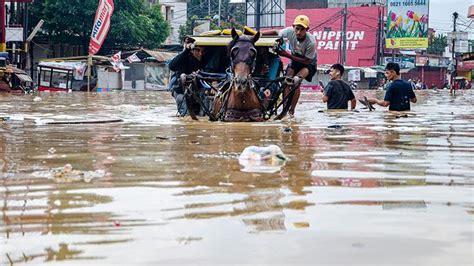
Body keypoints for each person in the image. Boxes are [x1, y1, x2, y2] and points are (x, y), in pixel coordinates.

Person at [262, 15, 317, 116]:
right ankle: (284, 109)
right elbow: (275, 32)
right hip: (295, 59)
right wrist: (258, 34)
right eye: (297, 29)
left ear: (307, 29)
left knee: (296, 81)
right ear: (293, 27)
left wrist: (286, 55)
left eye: (302, 30)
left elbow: (307, 61)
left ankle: (292, 111)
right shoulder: (288, 31)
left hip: (308, 63)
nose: (298, 32)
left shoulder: (311, 42)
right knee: (286, 81)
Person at [168, 37, 206, 116]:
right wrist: (186, 50)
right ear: (192, 50)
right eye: (198, 50)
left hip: (199, 92)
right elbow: (172, 66)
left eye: (202, 51)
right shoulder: (183, 58)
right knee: (184, 108)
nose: (200, 54)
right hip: (181, 91)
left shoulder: (205, 60)